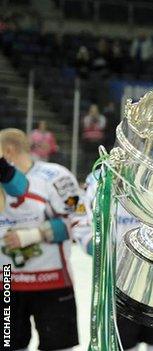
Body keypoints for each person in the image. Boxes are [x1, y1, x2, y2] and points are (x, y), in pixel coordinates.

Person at [73, 170, 153, 351]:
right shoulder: (98, 177)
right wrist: (100, 249)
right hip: (118, 284)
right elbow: (79, 220)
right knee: (121, 344)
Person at [0, 128, 83, 351]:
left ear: (7, 151)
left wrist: (32, 235)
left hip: (51, 280)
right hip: (6, 282)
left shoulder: (57, 176)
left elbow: (80, 219)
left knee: (58, 347)